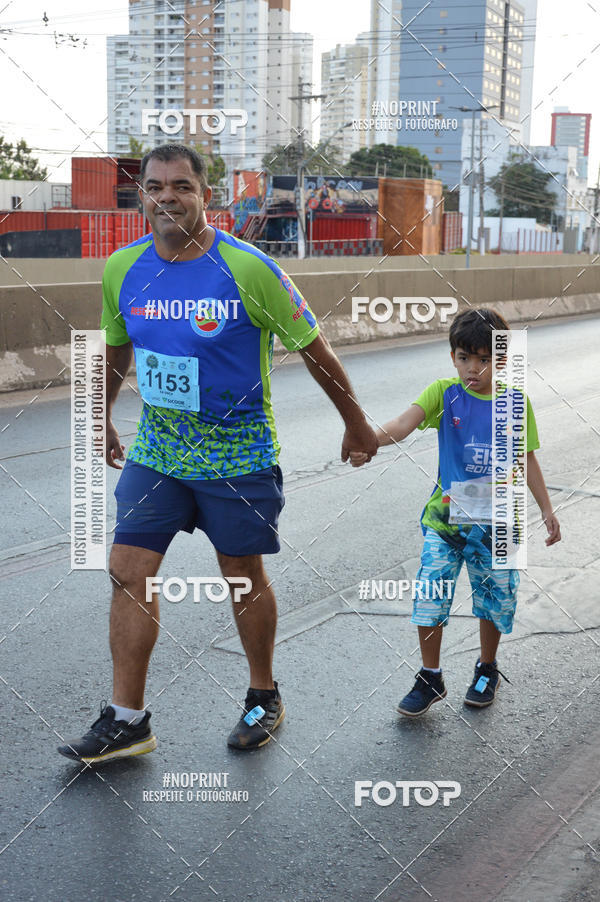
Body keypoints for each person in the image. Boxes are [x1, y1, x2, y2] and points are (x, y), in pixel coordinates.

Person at [58, 143, 377, 763]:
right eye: (155, 186)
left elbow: (314, 346)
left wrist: (357, 423)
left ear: (208, 195)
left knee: (243, 577)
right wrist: (99, 417)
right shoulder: (122, 268)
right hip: (160, 453)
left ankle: (263, 693)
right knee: (126, 569)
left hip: (238, 455)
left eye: (182, 185)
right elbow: (118, 349)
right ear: (142, 196)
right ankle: (128, 720)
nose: (167, 196)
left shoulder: (249, 269)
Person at [353, 307, 561, 716]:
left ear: (502, 359)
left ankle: (487, 667)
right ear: (453, 357)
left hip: (500, 526)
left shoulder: (517, 403)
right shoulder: (444, 394)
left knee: (495, 601)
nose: (473, 369)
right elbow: (401, 423)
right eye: (465, 357)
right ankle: (430, 676)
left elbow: (528, 459)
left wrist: (547, 509)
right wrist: (369, 442)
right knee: (429, 595)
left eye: (485, 359)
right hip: (444, 522)